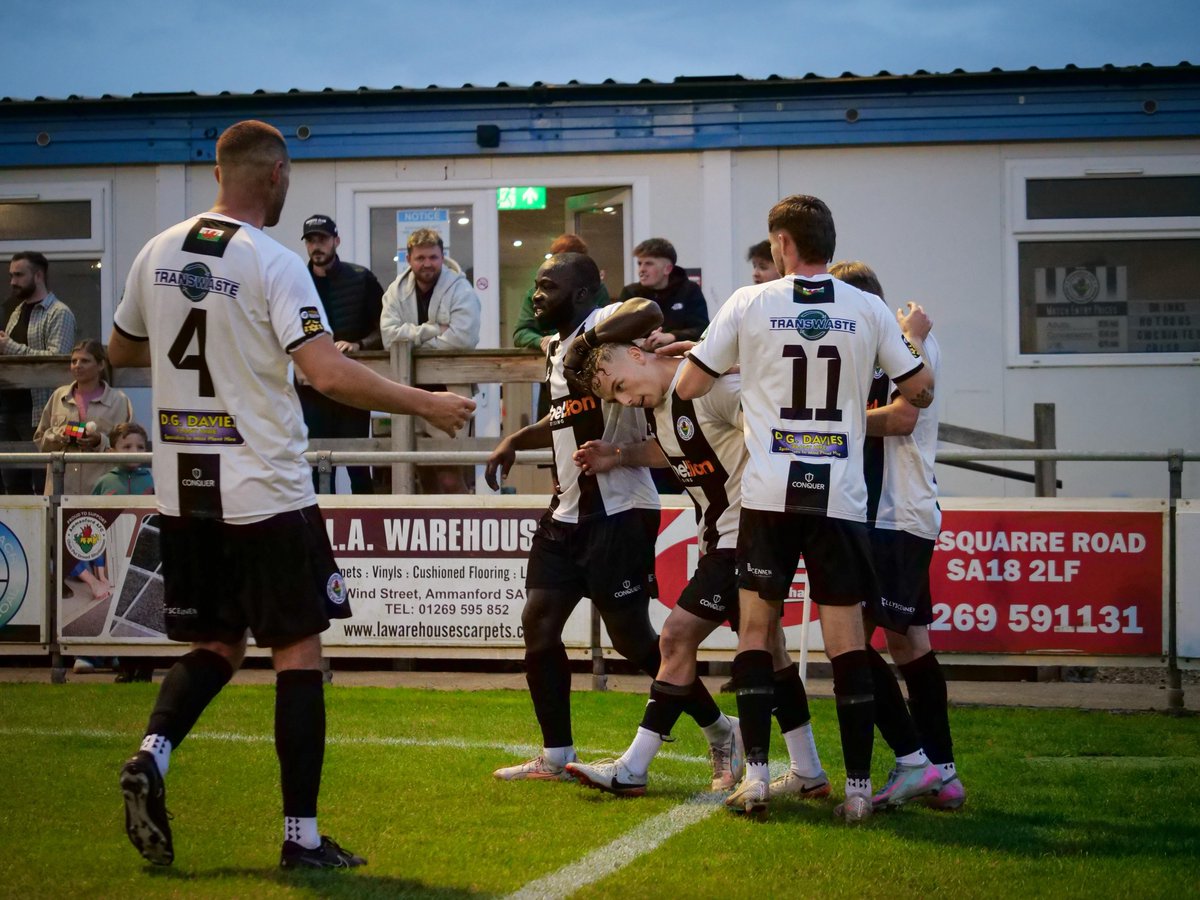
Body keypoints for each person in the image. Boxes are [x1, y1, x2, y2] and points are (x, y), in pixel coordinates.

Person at [108, 119, 474, 870]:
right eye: (287, 179)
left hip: (183, 487)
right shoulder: (271, 262)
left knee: (213, 642)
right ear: (272, 175)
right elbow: (329, 374)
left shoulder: (155, 251)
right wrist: (428, 404)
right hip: (264, 487)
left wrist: (203, 341)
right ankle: (301, 838)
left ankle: (153, 753)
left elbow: (118, 351)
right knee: (297, 650)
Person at [676, 194, 935, 822]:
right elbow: (919, 391)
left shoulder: (750, 302)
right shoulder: (868, 307)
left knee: (759, 631)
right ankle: (855, 790)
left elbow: (688, 386)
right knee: (846, 639)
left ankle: (759, 779)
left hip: (769, 493)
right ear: (828, 242)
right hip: (841, 494)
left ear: (783, 246)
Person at [485, 253, 739, 786]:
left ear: (582, 294)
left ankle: (721, 728)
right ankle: (555, 754)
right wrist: (515, 438)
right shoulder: (556, 349)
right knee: (538, 623)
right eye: (535, 285)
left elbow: (646, 308)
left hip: (619, 510)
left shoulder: (602, 332)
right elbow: (564, 417)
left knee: (634, 640)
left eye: (547, 286)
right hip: (566, 512)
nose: (536, 296)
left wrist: (587, 339)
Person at [564, 336, 829, 802]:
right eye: (615, 398)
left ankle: (634, 767)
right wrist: (620, 455)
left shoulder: (712, 387)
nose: (625, 399)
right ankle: (808, 770)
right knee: (773, 649)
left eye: (623, 385)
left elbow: (774, 425)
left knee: (676, 635)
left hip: (745, 534)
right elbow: (677, 450)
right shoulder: (660, 404)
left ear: (640, 355)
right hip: (723, 537)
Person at [829, 260, 963, 812]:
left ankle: (915, 761)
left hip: (894, 517)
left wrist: (835, 419)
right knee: (908, 643)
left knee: (853, 644)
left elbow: (904, 418)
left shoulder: (906, 348)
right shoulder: (888, 346)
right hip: (885, 516)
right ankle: (942, 773)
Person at [381, 227, 481, 492]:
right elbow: (389, 337)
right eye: (421, 258)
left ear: (442, 256)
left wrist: (411, 339)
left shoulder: (461, 288)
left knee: (449, 474)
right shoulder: (395, 291)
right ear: (409, 259)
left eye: (433, 257)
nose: (427, 264)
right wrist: (433, 329)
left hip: (450, 390)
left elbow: (462, 338)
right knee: (418, 472)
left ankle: (461, 531)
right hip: (408, 390)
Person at [297, 214, 384, 495]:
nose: (316, 246)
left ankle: (371, 535)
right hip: (310, 390)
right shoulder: (295, 280)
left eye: (322, 239)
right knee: (317, 466)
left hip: (353, 386)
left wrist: (359, 344)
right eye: (311, 240)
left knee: (359, 465)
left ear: (336, 241)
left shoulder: (361, 279)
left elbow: (385, 329)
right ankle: (320, 532)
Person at [1, 251, 77, 493]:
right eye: (11, 275)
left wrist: (8, 346)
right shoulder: (16, 312)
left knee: (43, 481)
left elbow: (57, 361)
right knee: (13, 484)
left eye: (19, 275)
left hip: (39, 411)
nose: (13, 281)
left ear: (39, 275)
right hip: (9, 407)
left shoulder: (59, 312)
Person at [512, 234, 607, 421]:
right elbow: (521, 333)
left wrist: (581, 341)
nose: (538, 295)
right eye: (557, 258)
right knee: (557, 417)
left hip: (591, 367)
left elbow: (610, 320)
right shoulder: (534, 294)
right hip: (554, 364)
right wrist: (541, 340)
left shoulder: (597, 290)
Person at [34, 339, 133, 495]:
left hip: (101, 491)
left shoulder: (118, 401)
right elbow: (40, 440)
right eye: (74, 361)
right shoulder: (59, 396)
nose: (77, 365)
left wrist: (100, 441)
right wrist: (60, 436)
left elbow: (129, 448)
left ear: (100, 365)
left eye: (85, 361)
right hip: (61, 489)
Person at [617, 238, 709, 351]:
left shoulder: (690, 290)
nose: (641, 270)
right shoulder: (630, 293)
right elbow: (618, 332)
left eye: (649, 264)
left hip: (680, 358)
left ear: (667, 269)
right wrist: (641, 344)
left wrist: (671, 336)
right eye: (640, 264)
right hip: (639, 358)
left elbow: (702, 329)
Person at [92, 421, 154, 496]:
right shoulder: (104, 483)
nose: (135, 452)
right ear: (112, 452)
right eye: (127, 447)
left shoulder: (152, 482)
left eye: (140, 447)